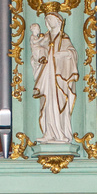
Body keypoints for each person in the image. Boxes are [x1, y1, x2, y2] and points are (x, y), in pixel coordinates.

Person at [31, 12, 78, 143]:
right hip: (47, 74)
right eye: (48, 20)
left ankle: (60, 132)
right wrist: (34, 38)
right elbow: (37, 51)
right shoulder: (45, 38)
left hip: (58, 76)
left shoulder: (64, 37)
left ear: (58, 21)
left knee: (57, 101)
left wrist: (62, 54)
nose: (49, 22)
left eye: (51, 19)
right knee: (47, 102)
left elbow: (72, 53)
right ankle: (48, 132)